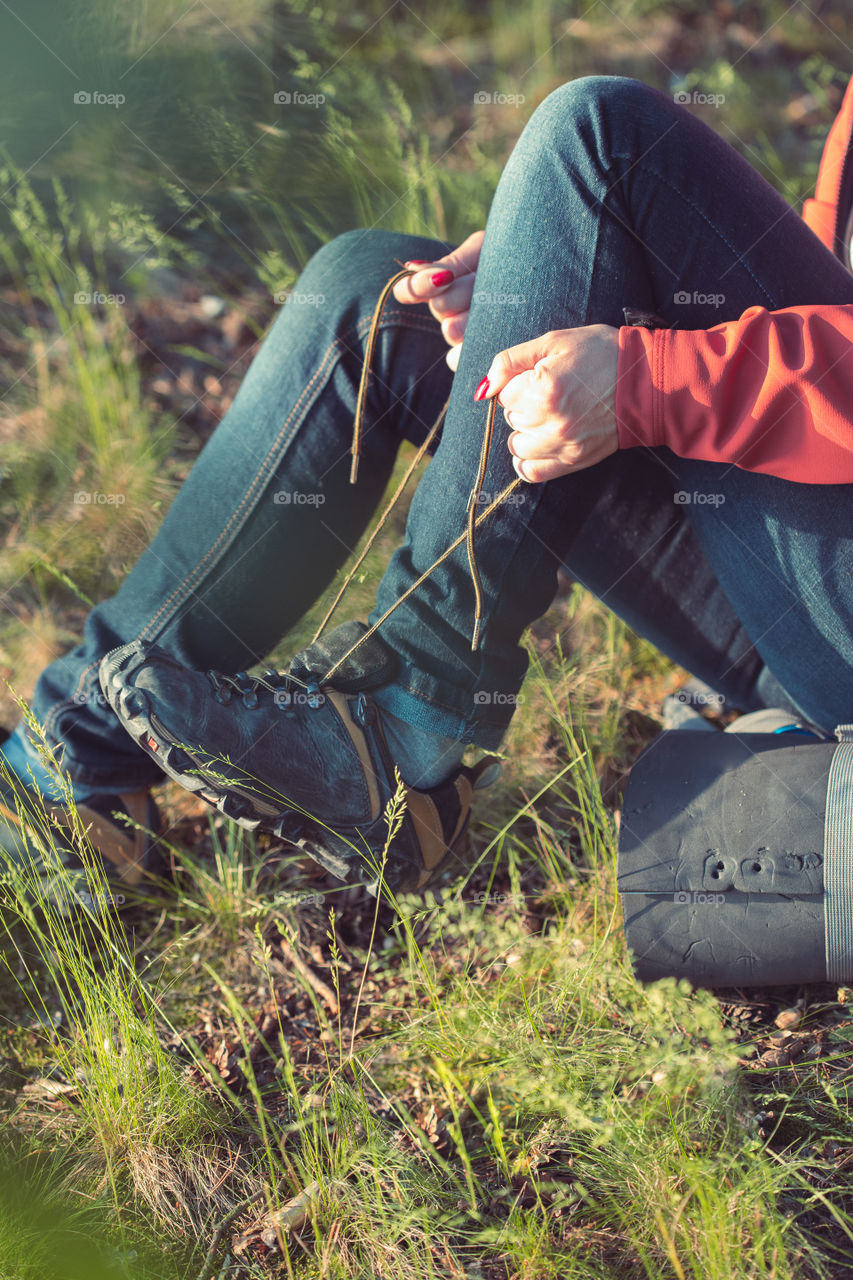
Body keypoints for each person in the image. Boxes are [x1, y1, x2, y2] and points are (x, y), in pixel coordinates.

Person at [4, 73, 853, 899]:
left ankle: (402, 721)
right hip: (791, 604)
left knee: (602, 137)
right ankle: (65, 774)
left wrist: (660, 379)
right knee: (368, 295)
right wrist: (564, 277)